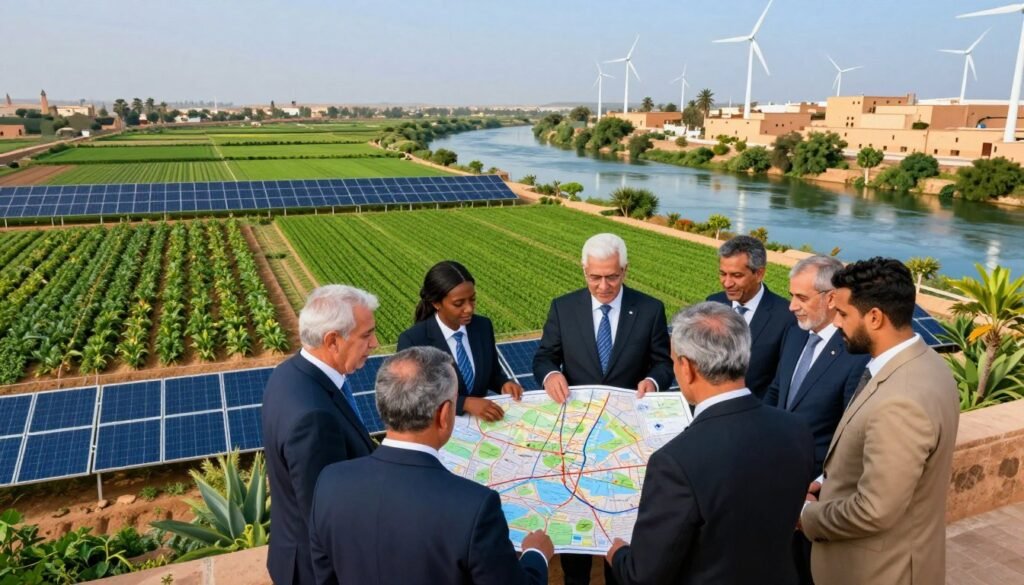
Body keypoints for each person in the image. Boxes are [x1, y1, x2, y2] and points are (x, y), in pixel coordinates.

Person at [607, 302, 814, 585]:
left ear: (686, 367)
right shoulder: (797, 429)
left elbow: (643, 576)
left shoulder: (674, 462)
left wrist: (618, 554)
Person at [309, 346, 553, 585]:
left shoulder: (329, 483)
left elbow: (324, 575)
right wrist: (536, 555)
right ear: (444, 414)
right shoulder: (475, 507)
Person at [800, 257, 959, 585]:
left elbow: (875, 509)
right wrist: (827, 485)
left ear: (874, 317)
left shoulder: (902, 399)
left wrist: (805, 516)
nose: (837, 324)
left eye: (843, 314)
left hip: (879, 572)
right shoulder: (927, 362)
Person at [532, 232, 672, 585]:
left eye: (612, 276)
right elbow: (545, 356)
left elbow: (663, 363)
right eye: (595, 277)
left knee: (622, 529)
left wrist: (653, 383)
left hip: (625, 441)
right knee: (576, 530)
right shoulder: (564, 307)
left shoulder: (650, 308)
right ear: (584, 271)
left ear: (625, 270)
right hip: (576, 436)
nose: (604, 285)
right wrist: (549, 375)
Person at [262, 285, 380, 585]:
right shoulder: (313, 420)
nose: (375, 344)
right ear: (332, 341)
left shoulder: (289, 372)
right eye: (366, 335)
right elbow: (327, 523)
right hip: (313, 573)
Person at [763, 256, 869, 585]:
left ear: (831, 298)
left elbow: (852, 434)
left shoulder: (856, 353)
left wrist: (822, 484)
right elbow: (777, 391)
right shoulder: (794, 335)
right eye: (791, 295)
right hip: (774, 480)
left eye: (801, 298)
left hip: (815, 497)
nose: (792, 306)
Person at [397, 260, 522, 421]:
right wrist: (463, 403)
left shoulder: (483, 327)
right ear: (436, 303)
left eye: (472, 299)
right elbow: (412, 397)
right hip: (437, 430)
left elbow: (492, 373)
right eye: (459, 303)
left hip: (480, 428)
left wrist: (504, 383)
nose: (469, 308)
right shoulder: (413, 340)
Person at [706, 235, 796, 398]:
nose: (727, 283)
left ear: (759, 273)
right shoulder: (713, 303)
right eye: (723, 274)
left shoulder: (786, 317)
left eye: (736, 275)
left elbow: (781, 382)